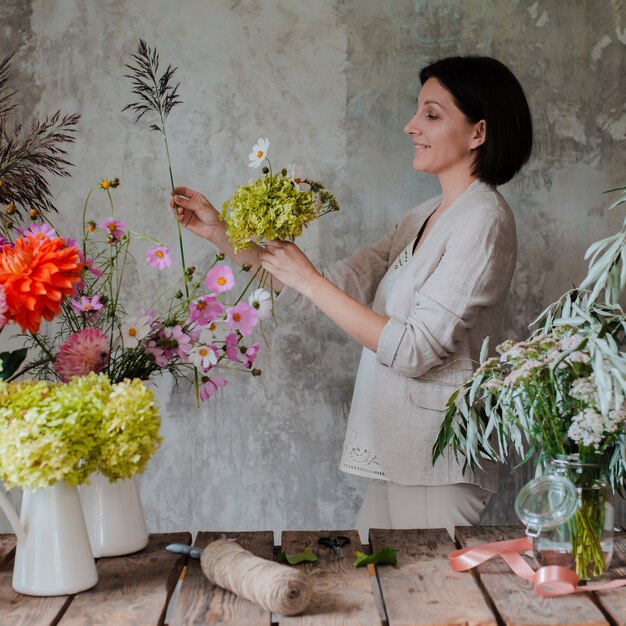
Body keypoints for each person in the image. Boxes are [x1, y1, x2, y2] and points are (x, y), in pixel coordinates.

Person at [171, 55, 533, 540]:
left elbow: (413, 351)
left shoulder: (483, 221)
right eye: (416, 111)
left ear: (478, 132)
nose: (410, 126)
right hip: (398, 453)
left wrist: (310, 281)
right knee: (376, 591)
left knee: (426, 608)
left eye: (431, 113)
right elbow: (325, 288)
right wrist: (222, 235)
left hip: (437, 462)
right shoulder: (424, 215)